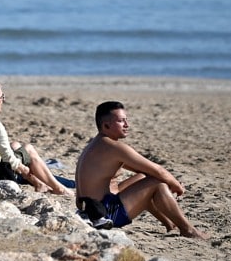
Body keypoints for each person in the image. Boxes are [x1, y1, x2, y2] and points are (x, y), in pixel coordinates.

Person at [75, 101, 209, 239]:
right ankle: (188, 230)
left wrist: (165, 179)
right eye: (121, 121)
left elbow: (146, 171)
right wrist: (177, 186)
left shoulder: (97, 144)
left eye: (126, 120)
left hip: (88, 209)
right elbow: (159, 170)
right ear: (106, 125)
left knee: (142, 178)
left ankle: (169, 223)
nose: (127, 125)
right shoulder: (114, 148)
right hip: (102, 215)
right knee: (157, 182)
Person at [0, 78, 74, 195]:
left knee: (15, 145)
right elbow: (9, 159)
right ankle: (59, 188)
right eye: (1, 97)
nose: (3, 100)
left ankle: (42, 184)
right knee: (28, 149)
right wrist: (26, 171)